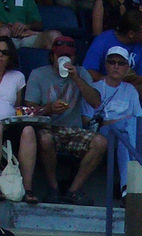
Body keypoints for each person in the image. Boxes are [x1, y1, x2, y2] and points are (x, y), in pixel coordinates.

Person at [25, 35, 105, 205]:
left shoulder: (81, 73)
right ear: (53, 56)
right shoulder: (39, 74)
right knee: (45, 139)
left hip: (73, 129)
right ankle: (53, 189)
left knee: (100, 142)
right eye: (61, 56)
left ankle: (73, 191)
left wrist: (76, 78)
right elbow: (28, 110)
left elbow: (96, 102)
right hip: (48, 127)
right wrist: (48, 109)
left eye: (69, 56)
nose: (64, 60)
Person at [82, 45, 142, 200]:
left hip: (124, 136)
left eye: (121, 63)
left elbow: (140, 118)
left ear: (127, 67)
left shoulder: (130, 90)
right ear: (106, 65)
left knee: (126, 137)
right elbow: (87, 121)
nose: (116, 66)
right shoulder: (94, 88)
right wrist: (116, 122)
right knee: (128, 126)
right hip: (103, 134)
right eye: (112, 62)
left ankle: (125, 188)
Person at [83, 9, 142, 102]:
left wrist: (127, 82)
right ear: (131, 34)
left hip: (128, 87)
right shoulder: (103, 40)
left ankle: (139, 115)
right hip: (103, 86)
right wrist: (112, 81)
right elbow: (89, 72)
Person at [0, 36, 38, 204]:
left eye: (4, 52)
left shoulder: (17, 76)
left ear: (10, 56)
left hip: (9, 126)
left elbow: (17, 106)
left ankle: (27, 189)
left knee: (29, 131)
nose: (0, 55)